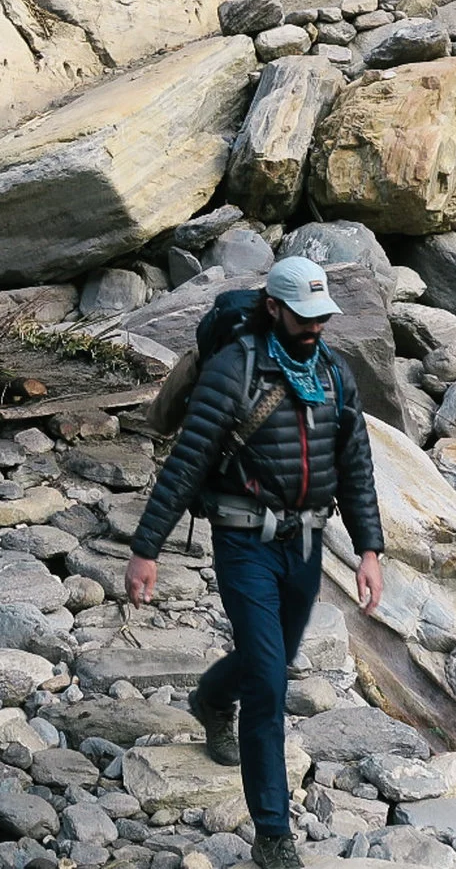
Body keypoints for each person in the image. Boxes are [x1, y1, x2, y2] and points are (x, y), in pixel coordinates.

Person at [125, 256, 387, 869]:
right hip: (244, 543)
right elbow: (186, 463)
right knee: (270, 683)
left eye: (322, 315)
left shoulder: (333, 373)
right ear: (274, 308)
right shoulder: (231, 372)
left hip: (306, 545)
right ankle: (273, 833)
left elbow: (355, 467)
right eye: (304, 315)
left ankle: (213, 698)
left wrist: (369, 550)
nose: (316, 326)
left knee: (267, 659)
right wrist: (146, 549)